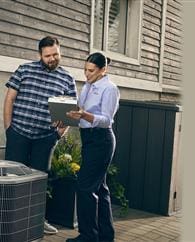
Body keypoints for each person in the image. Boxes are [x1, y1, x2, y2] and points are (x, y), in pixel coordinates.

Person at [3, 36, 76, 235]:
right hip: (18, 133)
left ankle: (37, 220)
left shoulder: (67, 78)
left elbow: (70, 114)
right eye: (48, 56)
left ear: (60, 52)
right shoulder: (24, 70)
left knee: (39, 181)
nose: (52, 58)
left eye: (56, 54)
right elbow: (9, 99)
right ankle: (9, 220)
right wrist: (8, 129)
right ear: (40, 55)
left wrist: (58, 134)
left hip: (45, 138)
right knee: (12, 178)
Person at [65, 52, 120, 242]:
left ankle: (88, 236)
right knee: (100, 188)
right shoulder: (88, 86)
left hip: (101, 140)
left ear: (103, 69)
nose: (86, 74)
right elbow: (81, 110)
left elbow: (106, 120)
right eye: (85, 70)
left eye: (91, 71)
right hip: (89, 139)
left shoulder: (110, 89)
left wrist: (84, 115)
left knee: (85, 187)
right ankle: (105, 236)